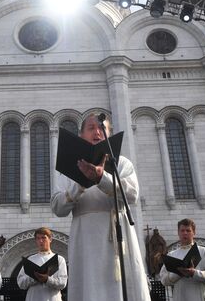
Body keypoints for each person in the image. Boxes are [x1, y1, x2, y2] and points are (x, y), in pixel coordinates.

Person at [51, 113, 151, 301]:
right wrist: (80, 184)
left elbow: (132, 195)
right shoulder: (67, 168)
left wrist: (101, 178)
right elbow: (57, 207)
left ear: (108, 134)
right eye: (91, 128)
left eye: (102, 128)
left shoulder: (121, 163)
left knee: (122, 286)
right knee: (89, 286)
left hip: (116, 233)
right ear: (81, 135)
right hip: (85, 237)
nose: (97, 132)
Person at [159, 218, 205, 301]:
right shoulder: (171, 254)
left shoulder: (204, 251)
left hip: (200, 295)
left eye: (188, 230)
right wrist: (179, 273)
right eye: (182, 230)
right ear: (178, 233)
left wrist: (194, 272)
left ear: (194, 233)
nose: (185, 233)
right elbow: (164, 280)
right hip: (180, 296)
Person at [17, 227, 68, 301]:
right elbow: (21, 283)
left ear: (50, 239)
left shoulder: (59, 259)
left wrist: (47, 279)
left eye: (44, 238)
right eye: (38, 238)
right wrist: (34, 278)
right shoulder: (30, 259)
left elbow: (62, 283)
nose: (41, 241)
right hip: (33, 297)